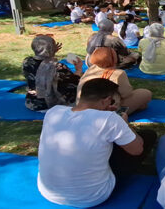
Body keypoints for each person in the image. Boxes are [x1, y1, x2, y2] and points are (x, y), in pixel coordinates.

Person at [37, 78, 157, 207]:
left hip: (47, 192)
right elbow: (137, 150)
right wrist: (124, 124)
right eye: (113, 102)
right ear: (106, 100)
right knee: (148, 136)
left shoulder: (54, 112)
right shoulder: (110, 119)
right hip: (93, 196)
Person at [79, 47, 152, 114]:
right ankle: (120, 113)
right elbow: (127, 93)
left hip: (84, 107)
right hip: (106, 110)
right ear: (114, 58)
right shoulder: (118, 73)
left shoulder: (90, 69)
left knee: (142, 104)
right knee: (146, 93)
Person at [23, 35, 82, 111]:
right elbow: (75, 82)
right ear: (51, 49)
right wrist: (78, 69)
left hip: (31, 102)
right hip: (50, 105)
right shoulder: (58, 67)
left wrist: (51, 52)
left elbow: (41, 67)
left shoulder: (27, 62)